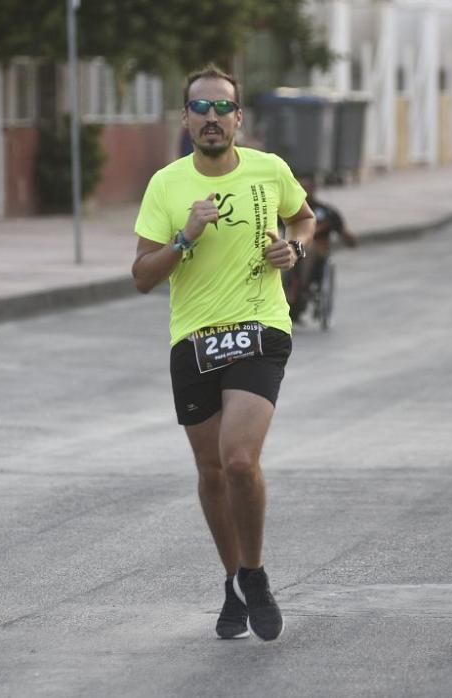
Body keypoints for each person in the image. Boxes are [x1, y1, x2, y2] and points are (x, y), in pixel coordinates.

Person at [131, 64, 315, 642]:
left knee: (238, 460)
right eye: (200, 109)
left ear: (239, 118)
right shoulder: (166, 184)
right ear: (186, 119)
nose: (212, 119)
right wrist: (184, 238)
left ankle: (254, 576)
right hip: (193, 339)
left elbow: (306, 219)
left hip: (261, 327)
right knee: (211, 472)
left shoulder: (270, 170)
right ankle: (233, 579)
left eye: (222, 109)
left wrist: (295, 250)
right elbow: (141, 275)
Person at [286, 175, 358, 323]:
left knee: (309, 248)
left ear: (313, 190)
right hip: (292, 251)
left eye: (307, 188)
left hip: (318, 252)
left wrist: (350, 238)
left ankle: (303, 290)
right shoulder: (289, 210)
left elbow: (345, 234)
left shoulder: (327, 212)